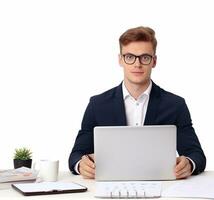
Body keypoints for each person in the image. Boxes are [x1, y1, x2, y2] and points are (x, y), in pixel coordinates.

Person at [69, 26, 206, 179]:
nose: (137, 64)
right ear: (120, 60)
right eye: (129, 57)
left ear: (154, 61)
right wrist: (81, 165)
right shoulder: (97, 104)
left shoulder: (175, 105)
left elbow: (197, 155)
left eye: (145, 57)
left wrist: (188, 163)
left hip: (162, 186)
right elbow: (76, 155)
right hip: (110, 185)